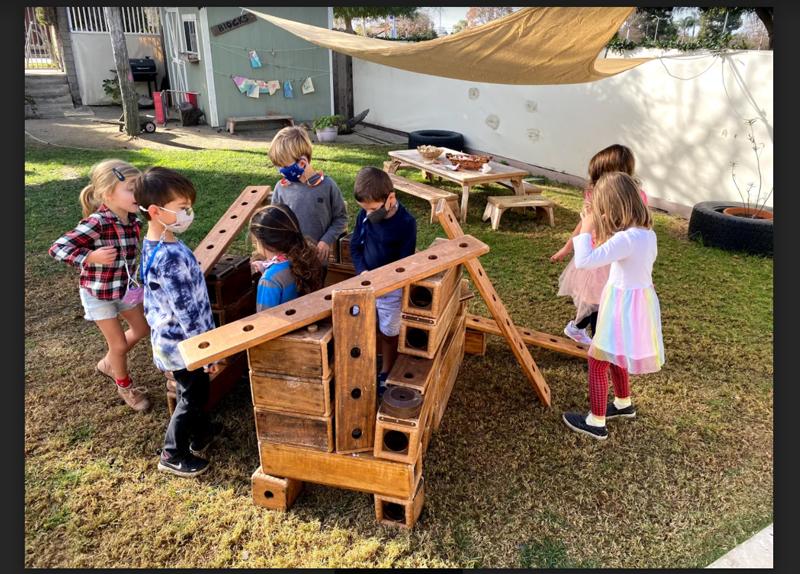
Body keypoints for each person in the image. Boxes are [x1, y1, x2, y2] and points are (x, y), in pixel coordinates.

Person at [133, 167, 222, 477]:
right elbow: (186, 311)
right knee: (193, 395)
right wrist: (206, 350)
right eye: (183, 208)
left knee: (196, 390)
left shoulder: (160, 242)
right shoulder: (168, 257)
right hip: (184, 345)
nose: (189, 213)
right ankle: (172, 453)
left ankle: (201, 435)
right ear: (156, 211)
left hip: (178, 342)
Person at [561, 172, 664, 440]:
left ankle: (596, 422)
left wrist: (585, 230)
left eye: (603, 207)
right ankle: (622, 403)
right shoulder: (646, 234)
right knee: (618, 354)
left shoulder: (626, 239)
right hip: (636, 304)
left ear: (614, 206)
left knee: (597, 361)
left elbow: (585, 261)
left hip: (620, 307)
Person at [49, 159, 151, 412]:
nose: (137, 194)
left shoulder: (133, 221)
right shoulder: (98, 222)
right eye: (130, 188)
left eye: (139, 187)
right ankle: (124, 385)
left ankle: (108, 363)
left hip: (124, 289)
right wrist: (89, 257)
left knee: (142, 329)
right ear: (108, 194)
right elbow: (57, 248)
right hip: (99, 294)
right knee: (117, 345)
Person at [550, 144, 648, 345]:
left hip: (617, 261)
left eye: (600, 176)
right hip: (596, 259)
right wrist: (568, 247)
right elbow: (584, 223)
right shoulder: (594, 194)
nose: (595, 182)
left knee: (605, 303)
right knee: (597, 302)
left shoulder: (637, 198)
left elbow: (639, 231)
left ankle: (578, 329)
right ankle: (597, 347)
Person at [349, 167, 417, 399]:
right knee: (361, 326)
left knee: (389, 331)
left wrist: (386, 282)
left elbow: (405, 263)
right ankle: (362, 367)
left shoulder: (407, 222)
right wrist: (363, 272)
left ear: (390, 198)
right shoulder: (364, 216)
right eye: (363, 209)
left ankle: (386, 369)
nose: (367, 213)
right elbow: (355, 247)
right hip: (366, 283)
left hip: (391, 289)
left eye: (372, 209)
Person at [262, 126, 348, 281]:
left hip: (317, 262)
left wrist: (326, 241)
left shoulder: (327, 186)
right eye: (279, 166)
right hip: (289, 262)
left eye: (284, 166)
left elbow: (341, 218)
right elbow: (274, 224)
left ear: (302, 162)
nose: (281, 171)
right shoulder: (281, 188)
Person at [249, 204, 324, 311]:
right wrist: (265, 268)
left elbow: (265, 321)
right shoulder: (303, 256)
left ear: (266, 243)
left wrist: (268, 274)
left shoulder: (269, 280)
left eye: (256, 240)